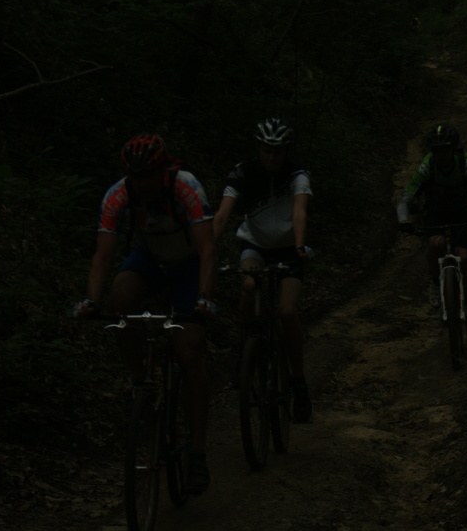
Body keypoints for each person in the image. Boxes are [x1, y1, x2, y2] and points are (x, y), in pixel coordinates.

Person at [73, 133, 217, 494]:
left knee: (189, 352)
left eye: (148, 176)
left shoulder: (186, 188)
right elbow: (103, 256)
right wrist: (91, 300)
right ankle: (140, 381)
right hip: (150, 258)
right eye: (135, 177)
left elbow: (207, 249)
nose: (141, 184)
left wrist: (203, 298)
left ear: (162, 170)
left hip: (187, 264)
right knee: (120, 300)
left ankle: (198, 451)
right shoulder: (118, 195)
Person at [212, 117, 314, 423]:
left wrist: (300, 246)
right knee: (248, 286)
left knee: (286, 311)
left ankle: (298, 381)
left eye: (277, 152)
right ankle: (244, 350)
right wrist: (206, 251)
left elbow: (300, 210)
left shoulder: (297, 174)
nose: (272, 157)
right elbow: (223, 213)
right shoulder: (243, 172)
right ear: (258, 149)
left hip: (289, 248)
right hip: (254, 245)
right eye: (267, 151)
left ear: (286, 152)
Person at [396, 124, 467, 335]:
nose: (441, 155)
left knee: (465, 258)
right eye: (437, 151)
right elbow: (405, 200)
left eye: (445, 149)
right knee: (435, 245)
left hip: (461, 215)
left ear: (453, 149)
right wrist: (404, 220)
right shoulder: (427, 167)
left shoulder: (466, 164)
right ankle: (435, 282)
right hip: (435, 214)